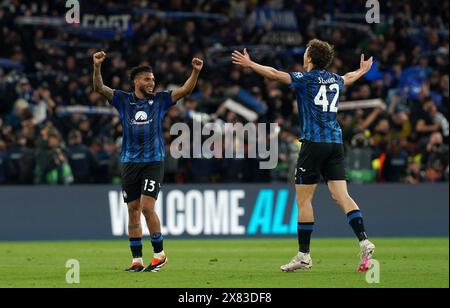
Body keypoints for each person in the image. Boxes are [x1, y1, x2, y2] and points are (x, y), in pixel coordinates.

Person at [232, 39, 376, 273]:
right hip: (336, 144)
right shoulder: (334, 79)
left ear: (309, 58)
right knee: (342, 196)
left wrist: (251, 64)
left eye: (306, 52)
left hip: (314, 144)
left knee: (304, 199)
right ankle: (364, 240)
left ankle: (304, 256)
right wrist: (362, 70)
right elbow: (348, 77)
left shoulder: (306, 79)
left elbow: (275, 74)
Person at [93, 51, 203, 273]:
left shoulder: (160, 100)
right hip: (129, 162)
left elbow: (186, 90)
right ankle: (136, 261)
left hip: (153, 161)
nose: (152, 83)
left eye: (153, 79)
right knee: (132, 210)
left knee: (146, 206)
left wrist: (195, 72)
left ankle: (159, 255)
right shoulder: (123, 100)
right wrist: (96, 67)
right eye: (147, 79)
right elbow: (99, 88)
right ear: (136, 82)